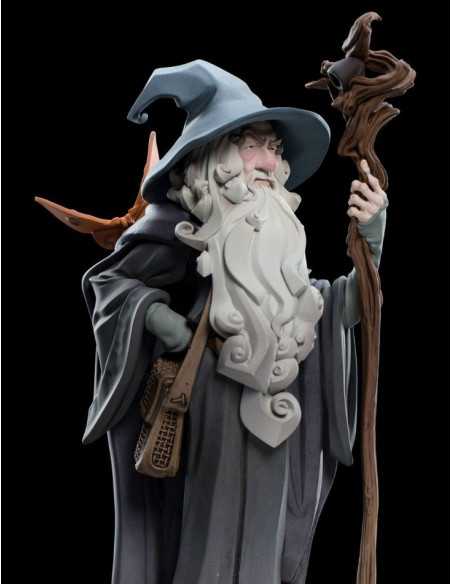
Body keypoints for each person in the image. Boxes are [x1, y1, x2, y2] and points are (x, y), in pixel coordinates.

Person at [81, 60, 387, 584]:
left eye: (276, 148)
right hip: (209, 405)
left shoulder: (280, 238)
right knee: (208, 542)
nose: (269, 161)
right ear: (217, 155)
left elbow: (334, 309)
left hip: (281, 415)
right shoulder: (178, 226)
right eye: (253, 145)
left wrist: (371, 246)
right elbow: (109, 284)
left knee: (263, 547)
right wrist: (157, 316)